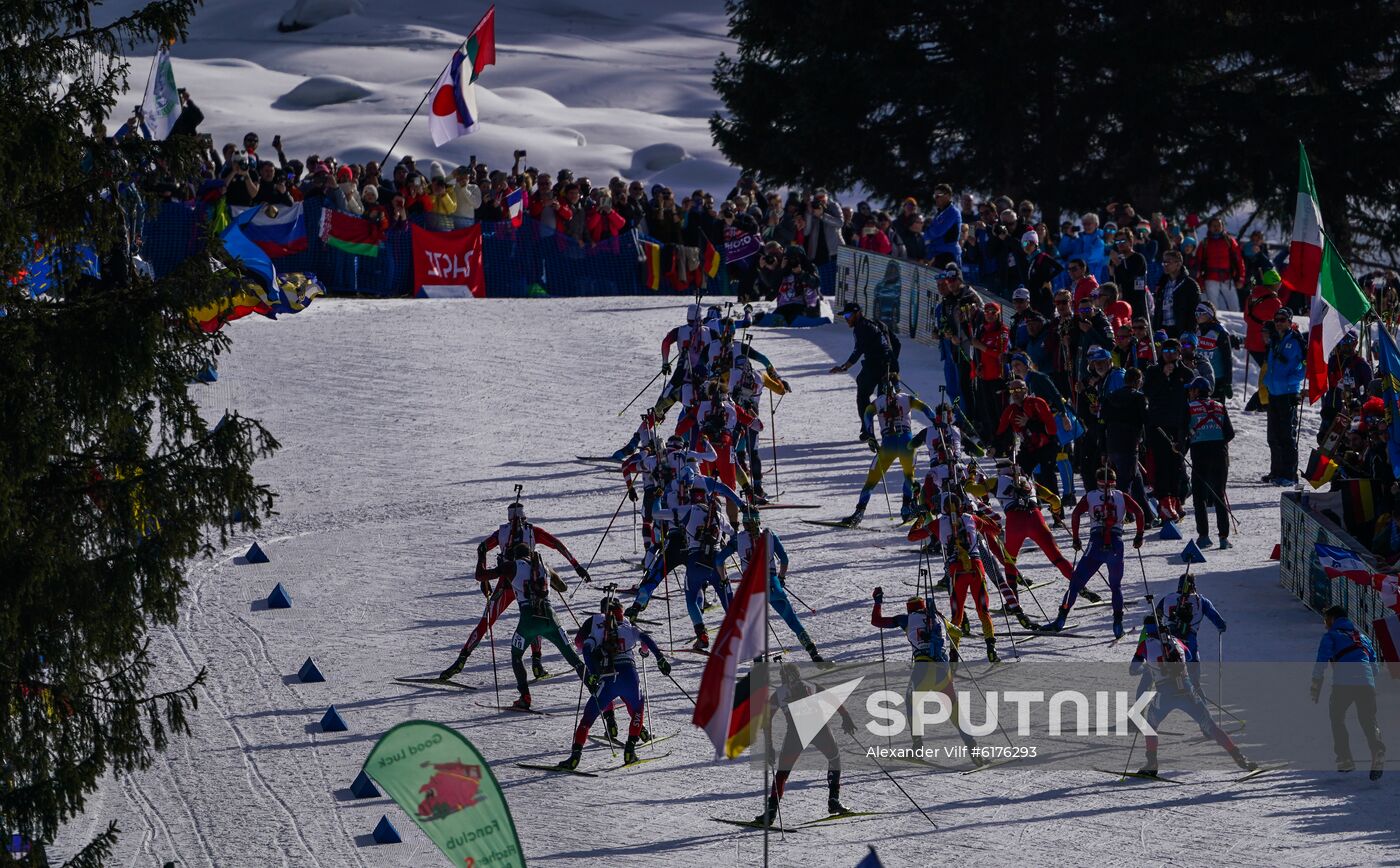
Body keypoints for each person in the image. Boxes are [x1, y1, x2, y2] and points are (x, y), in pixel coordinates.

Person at [440, 500, 591, 681]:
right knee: (537, 614)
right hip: (530, 579)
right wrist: (576, 566)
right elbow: (557, 544)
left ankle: (460, 661)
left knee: (486, 621)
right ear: (524, 517)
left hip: (506, 582)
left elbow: (482, 547)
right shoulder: (532, 531)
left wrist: (485, 577)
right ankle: (537, 663)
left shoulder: (502, 533)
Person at [1130, 614, 1255, 777]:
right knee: (1212, 726)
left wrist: (1148, 668)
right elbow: (1188, 656)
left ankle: (1152, 763)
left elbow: (1133, 669)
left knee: (1150, 725)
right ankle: (1239, 757)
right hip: (1187, 689)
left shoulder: (1145, 645)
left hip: (1165, 692)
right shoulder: (1175, 640)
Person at [557, 593, 670, 768]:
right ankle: (630, 750)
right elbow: (646, 639)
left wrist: (593, 672)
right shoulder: (628, 626)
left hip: (607, 678)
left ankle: (575, 758)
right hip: (629, 676)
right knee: (637, 706)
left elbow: (584, 647)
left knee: (587, 719)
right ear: (621, 611)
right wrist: (658, 657)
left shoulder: (598, 627)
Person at [870, 588, 983, 762]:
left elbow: (876, 621)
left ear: (909, 609)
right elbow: (958, 633)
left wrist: (878, 602)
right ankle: (974, 751)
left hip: (923, 670)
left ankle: (918, 747)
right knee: (953, 709)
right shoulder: (939, 618)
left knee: (911, 702)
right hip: (943, 671)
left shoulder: (905, 619)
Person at [485, 544, 586, 710]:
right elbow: (563, 587)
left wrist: (483, 558)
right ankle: (595, 689)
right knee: (572, 656)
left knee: (516, 655)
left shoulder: (511, 566)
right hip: (550, 618)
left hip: (528, 621)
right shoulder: (543, 566)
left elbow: (482, 577)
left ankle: (525, 697)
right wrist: (548, 578)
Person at [1046, 467, 1145, 638]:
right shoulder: (1121, 496)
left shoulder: (1090, 496)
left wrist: (1076, 539)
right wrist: (1139, 536)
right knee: (1116, 586)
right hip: (1116, 543)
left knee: (1076, 583)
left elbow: (1076, 514)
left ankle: (1061, 619)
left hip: (1096, 542)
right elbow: (1140, 512)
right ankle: (1117, 624)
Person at [754, 661, 856, 825]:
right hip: (819, 729)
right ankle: (833, 800)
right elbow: (832, 698)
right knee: (834, 758)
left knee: (782, 773)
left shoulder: (778, 694)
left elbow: (766, 721)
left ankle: (771, 811)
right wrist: (845, 717)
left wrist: (769, 746)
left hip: (797, 733)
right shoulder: (811, 685)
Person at [908, 493, 1002, 662]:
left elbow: (912, 536)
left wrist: (921, 519)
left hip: (956, 571)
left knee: (956, 614)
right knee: (983, 610)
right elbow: (996, 529)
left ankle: (953, 655)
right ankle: (991, 648)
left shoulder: (938, 523)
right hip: (976, 568)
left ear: (943, 508)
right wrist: (982, 515)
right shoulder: (972, 518)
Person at [718, 510, 823, 661]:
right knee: (792, 620)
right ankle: (813, 652)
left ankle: (759, 666)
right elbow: (785, 560)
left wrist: (723, 579)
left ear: (745, 523)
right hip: (772, 585)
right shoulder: (769, 535)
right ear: (758, 521)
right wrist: (780, 578)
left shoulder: (737, 539)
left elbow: (719, 561)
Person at [839, 374, 936, 526]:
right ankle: (906, 510)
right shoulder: (907, 398)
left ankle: (859, 513)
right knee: (909, 476)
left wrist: (871, 436)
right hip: (907, 443)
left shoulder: (878, 402)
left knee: (871, 480)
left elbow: (867, 414)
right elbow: (926, 408)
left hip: (888, 445)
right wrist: (937, 422)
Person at [1311, 605, 1385, 779]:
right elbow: (1374, 665)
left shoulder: (1331, 636)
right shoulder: (1363, 638)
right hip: (1366, 682)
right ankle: (1378, 750)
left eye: (1325, 620)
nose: (1324, 625)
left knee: (1337, 718)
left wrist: (1316, 685)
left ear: (1332, 619)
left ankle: (1345, 759)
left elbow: (1321, 660)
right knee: (1368, 720)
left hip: (1343, 683)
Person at [829, 302, 901, 438]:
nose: (846, 318)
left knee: (863, 395)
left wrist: (844, 367)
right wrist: (892, 362)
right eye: (845, 315)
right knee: (884, 399)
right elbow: (896, 343)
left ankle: (868, 430)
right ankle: (891, 432)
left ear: (858, 313)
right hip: (890, 366)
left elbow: (858, 351)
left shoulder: (861, 327)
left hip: (874, 365)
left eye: (849, 315)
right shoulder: (878, 323)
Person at [1143, 339, 1194, 522]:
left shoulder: (1186, 373)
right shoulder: (1153, 371)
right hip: (1158, 424)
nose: (1169, 354)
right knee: (1162, 464)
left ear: (1179, 353)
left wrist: (1190, 426)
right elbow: (1148, 393)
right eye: (1166, 350)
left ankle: (1176, 499)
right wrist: (1163, 377)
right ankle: (1164, 501)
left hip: (1179, 425)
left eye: (1173, 350)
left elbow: (1190, 399)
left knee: (1177, 465)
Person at [1186, 376, 1235, 548]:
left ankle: (1204, 536)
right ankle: (1223, 538)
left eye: (1191, 389)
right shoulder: (1220, 406)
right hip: (1220, 455)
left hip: (1200, 454)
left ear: (1197, 391)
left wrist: (1181, 448)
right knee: (1219, 495)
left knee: (1199, 497)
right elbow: (1230, 433)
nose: (1190, 393)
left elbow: (1182, 432)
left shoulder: (1189, 407)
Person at [1102, 367, 1153, 524]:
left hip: (1112, 444)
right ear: (1138, 381)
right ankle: (1119, 516)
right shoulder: (1139, 398)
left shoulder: (1110, 397)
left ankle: (1148, 517)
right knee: (1125, 484)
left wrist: (1103, 448)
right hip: (1130, 444)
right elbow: (1146, 420)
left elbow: (1103, 422)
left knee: (1136, 481)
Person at [1263, 309, 1306, 485]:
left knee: (1287, 435)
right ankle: (1276, 472)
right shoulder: (1274, 339)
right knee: (1273, 435)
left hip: (1288, 393)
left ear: (1289, 321)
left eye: (1282, 319)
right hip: (1274, 392)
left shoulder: (1296, 340)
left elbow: (1305, 365)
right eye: (1276, 319)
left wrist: (1291, 380)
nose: (1279, 323)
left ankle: (1289, 474)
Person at [1155, 572, 1227, 660]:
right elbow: (1216, 618)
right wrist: (1222, 626)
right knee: (1193, 665)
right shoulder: (1201, 601)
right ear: (1193, 586)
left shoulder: (1167, 599)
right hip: (1189, 638)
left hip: (1169, 639)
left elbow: (1155, 617)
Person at [1195, 217, 1245, 312]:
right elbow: (1198, 265)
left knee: (1234, 307)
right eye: (1214, 226)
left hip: (1227, 278)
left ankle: (1237, 326)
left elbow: (1239, 261)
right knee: (1213, 308)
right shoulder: (1204, 243)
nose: (1216, 228)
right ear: (1209, 228)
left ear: (1222, 227)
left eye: (1219, 225)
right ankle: (1214, 326)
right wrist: (1200, 282)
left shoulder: (1230, 241)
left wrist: (1241, 278)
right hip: (1210, 279)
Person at [1153, 249, 1201, 338]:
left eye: (1168, 262)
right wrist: (1155, 328)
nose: (1165, 265)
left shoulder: (1190, 284)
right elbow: (1157, 309)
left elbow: (1195, 310)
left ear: (1178, 264)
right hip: (1163, 329)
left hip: (1181, 330)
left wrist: (1190, 330)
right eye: (1164, 262)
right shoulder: (1162, 283)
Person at [1192, 302, 1235, 401]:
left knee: (1216, 410)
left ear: (1209, 314)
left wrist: (1228, 382)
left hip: (1217, 379)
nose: (1197, 316)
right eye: (1196, 314)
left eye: (1200, 313)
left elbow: (1227, 359)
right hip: (1199, 377)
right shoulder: (1196, 331)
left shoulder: (1220, 332)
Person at [923, 183, 962, 268]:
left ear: (948, 196)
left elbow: (937, 232)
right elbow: (927, 236)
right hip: (937, 256)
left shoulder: (953, 212)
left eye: (938, 196)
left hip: (949, 256)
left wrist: (927, 230)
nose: (936, 198)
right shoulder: (939, 213)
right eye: (935, 196)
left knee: (948, 281)